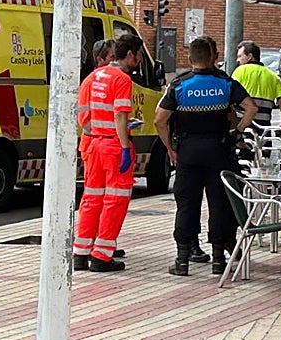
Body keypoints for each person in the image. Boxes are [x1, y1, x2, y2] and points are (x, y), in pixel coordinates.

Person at [155, 35, 257, 277]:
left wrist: (170, 148)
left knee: (187, 205)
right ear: (213, 57)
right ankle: (219, 260)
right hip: (219, 150)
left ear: (190, 58)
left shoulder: (179, 85)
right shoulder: (225, 83)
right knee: (219, 204)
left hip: (188, 152)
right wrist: (237, 131)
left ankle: (182, 260)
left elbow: (159, 119)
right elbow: (251, 107)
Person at [72, 33, 144, 272]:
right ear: (131, 54)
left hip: (92, 145)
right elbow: (120, 114)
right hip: (113, 147)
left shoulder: (91, 78)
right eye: (140, 55)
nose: (141, 60)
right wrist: (125, 146)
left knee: (91, 198)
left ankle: (80, 252)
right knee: (116, 200)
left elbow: (87, 117)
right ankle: (102, 255)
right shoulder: (122, 79)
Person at [233, 40, 281, 142]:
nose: (238, 60)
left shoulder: (240, 71)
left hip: (244, 129)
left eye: (240, 56)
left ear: (249, 56)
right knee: (265, 156)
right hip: (264, 132)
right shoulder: (273, 76)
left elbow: (230, 95)